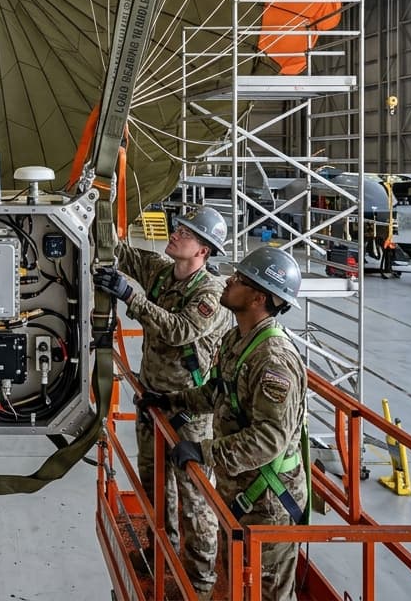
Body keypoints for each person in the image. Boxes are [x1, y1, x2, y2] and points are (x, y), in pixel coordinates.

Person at [147, 246, 308, 601]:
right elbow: (218, 392)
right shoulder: (237, 339)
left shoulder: (272, 361)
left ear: (257, 297)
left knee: (268, 593)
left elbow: (270, 439)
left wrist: (204, 451)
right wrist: (172, 401)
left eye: (239, 280)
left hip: (268, 500)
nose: (228, 281)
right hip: (241, 490)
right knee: (237, 577)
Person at [94, 205, 233, 600]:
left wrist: (130, 298)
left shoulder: (211, 293)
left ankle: (201, 580)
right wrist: (94, 214)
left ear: (203, 250)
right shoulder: (160, 271)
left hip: (189, 409)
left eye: (186, 233)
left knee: (194, 498)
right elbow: (122, 251)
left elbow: (179, 330)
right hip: (153, 399)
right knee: (155, 485)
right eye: (179, 227)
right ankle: (161, 554)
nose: (175, 233)